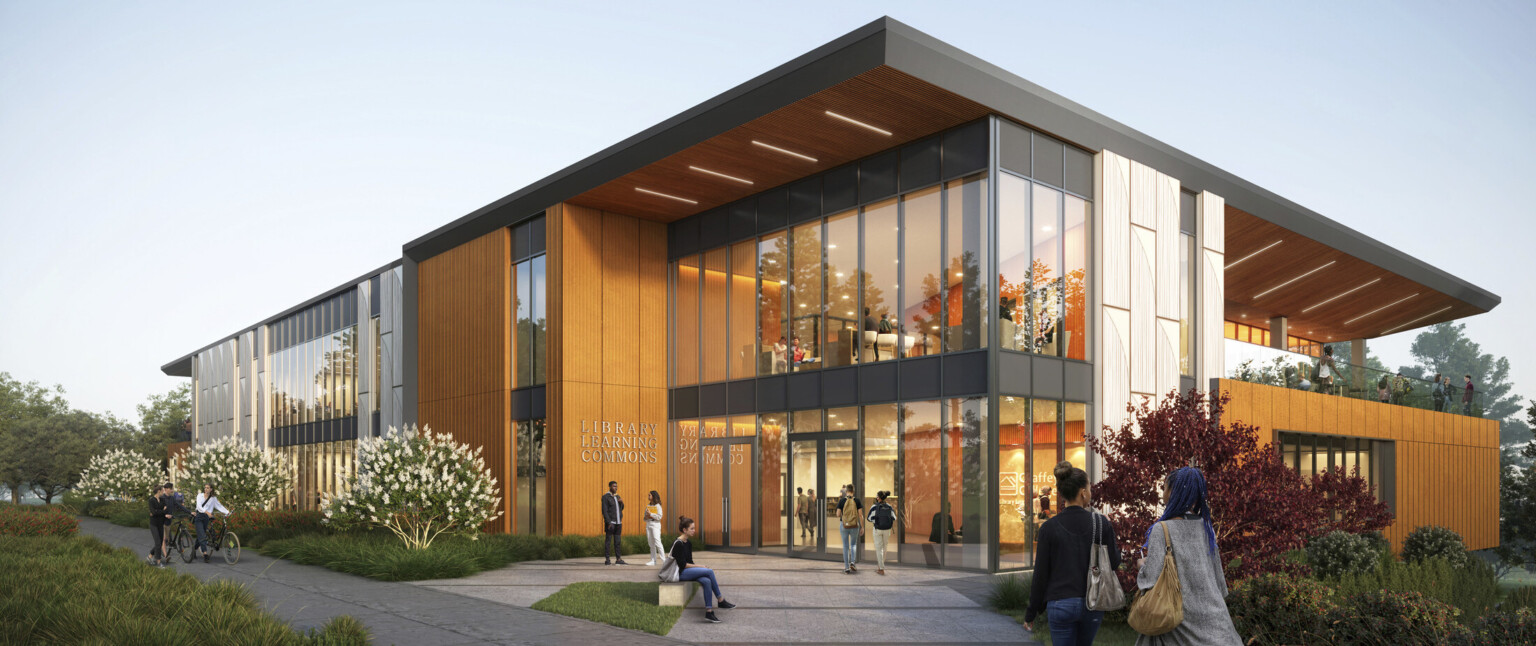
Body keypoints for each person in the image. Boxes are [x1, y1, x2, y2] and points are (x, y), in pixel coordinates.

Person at [1132, 466, 1243, 645]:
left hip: (1179, 622)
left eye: (1164, 488)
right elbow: (1219, 581)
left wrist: (1141, 565)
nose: (1163, 493)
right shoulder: (1207, 528)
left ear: (1173, 492)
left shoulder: (1162, 530)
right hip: (1216, 623)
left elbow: (1150, 579)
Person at [1024, 462, 1120, 645]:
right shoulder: (1101, 524)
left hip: (1059, 604)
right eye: (1089, 488)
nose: (1090, 493)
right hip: (1091, 603)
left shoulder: (1049, 528)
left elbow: (1041, 575)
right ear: (1083, 492)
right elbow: (1114, 563)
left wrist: (1032, 612)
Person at [673, 516, 736, 623]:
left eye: (694, 528)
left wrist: (698, 568)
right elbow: (682, 565)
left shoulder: (688, 543)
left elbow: (690, 561)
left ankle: (709, 612)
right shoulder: (678, 544)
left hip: (687, 571)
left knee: (706, 581)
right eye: (692, 528)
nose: (694, 530)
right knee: (709, 571)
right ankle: (720, 600)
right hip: (679, 573)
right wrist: (701, 567)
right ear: (684, 530)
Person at [194, 483, 231, 563]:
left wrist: (227, 512)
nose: (206, 489)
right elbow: (199, 507)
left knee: (201, 535)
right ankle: (205, 554)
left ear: (211, 489)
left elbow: (219, 506)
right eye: (205, 487)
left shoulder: (213, 498)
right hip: (199, 517)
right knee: (202, 535)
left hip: (206, 518)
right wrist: (207, 512)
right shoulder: (199, 496)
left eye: (208, 488)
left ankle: (194, 549)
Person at [866, 490, 896, 575]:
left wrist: (875, 520)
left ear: (878, 498)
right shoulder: (889, 506)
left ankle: (881, 568)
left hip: (877, 529)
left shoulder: (874, 506)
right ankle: (880, 566)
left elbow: (868, 518)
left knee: (879, 549)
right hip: (887, 529)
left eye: (877, 496)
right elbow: (894, 517)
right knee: (884, 547)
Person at [836, 485, 864, 574]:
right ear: (853, 491)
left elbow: (837, 514)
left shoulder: (842, 501)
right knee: (853, 545)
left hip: (844, 525)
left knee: (845, 546)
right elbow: (860, 515)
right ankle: (853, 562)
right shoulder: (857, 501)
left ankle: (846, 568)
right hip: (855, 526)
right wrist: (862, 526)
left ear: (846, 491)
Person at [146, 484, 171, 567]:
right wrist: (162, 511)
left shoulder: (162, 499)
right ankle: (159, 563)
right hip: (154, 524)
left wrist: (159, 511)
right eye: (162, 490)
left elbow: (164, 509)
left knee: (159, 543)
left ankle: (150, 556)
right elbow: (153, 512)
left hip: (161, 523)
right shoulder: (151, 500)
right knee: (158, 543)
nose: (163, 492)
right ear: (158, 491)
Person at [601, 480, 626, 565]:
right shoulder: (605, 497)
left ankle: (618, 559)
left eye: (616, 486)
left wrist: (622, 503)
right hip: (611, 523)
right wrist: (608, 522)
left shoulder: (617, 496)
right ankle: (607, 559)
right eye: (614, 486)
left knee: (617, 542)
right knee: (608, 541)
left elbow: (620, 509)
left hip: (619, 523)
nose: (616, 488)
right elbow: (604, 511)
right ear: (610, 487)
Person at [643, 490, 664, 566]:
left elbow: (659, 516)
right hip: (648, 525)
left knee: (658, 542)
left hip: (655, 525)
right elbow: (644, 518)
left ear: (653, 496)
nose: (648, 496)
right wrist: (646, 516)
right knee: (651, 543)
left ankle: (664, 560)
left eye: (649, 495)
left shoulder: (658, 506)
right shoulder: (648, 506)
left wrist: (651, 514)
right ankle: (653, 560)